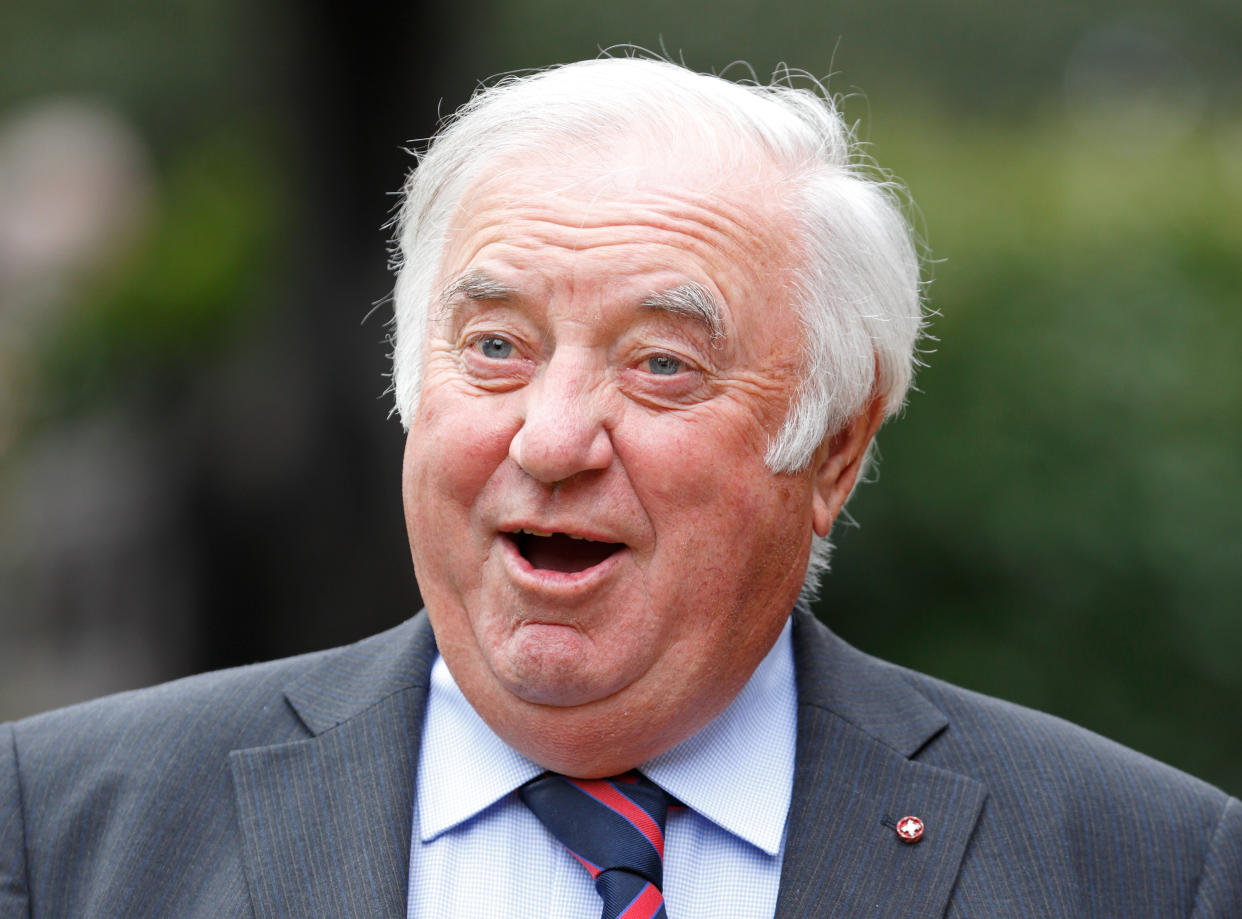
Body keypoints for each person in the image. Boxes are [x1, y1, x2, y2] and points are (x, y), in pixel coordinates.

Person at [1, 56, 1238, 919]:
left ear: (836, 453)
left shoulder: (1145, 867)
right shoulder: (62, 831)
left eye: (660, 365)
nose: (551, 438)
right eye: (494, 347)